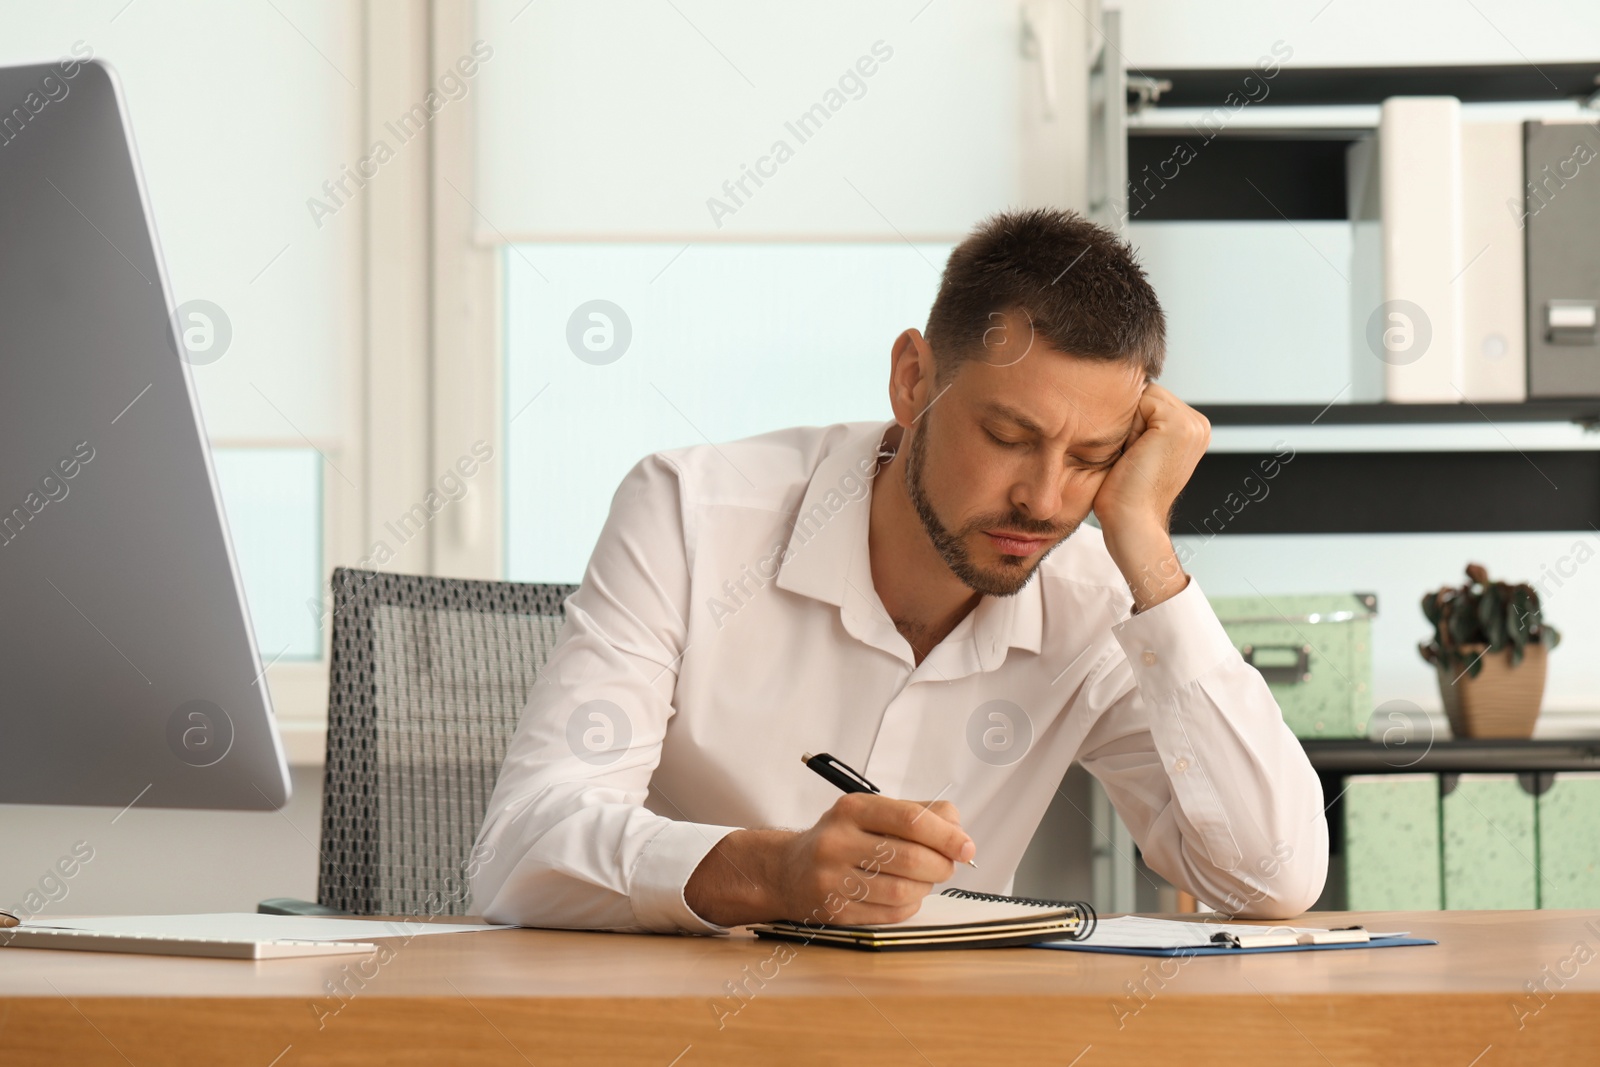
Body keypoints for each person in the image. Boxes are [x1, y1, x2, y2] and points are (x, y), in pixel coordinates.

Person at [471, 207, 1327, 933]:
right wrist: (772, 872)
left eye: (1093, 457)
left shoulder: (1101, 597)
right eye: (1007, 437)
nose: (1043, 498)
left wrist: (1145, 544)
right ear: (913, 380)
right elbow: (520, 847)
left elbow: (1271, 877)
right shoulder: (691, 511)